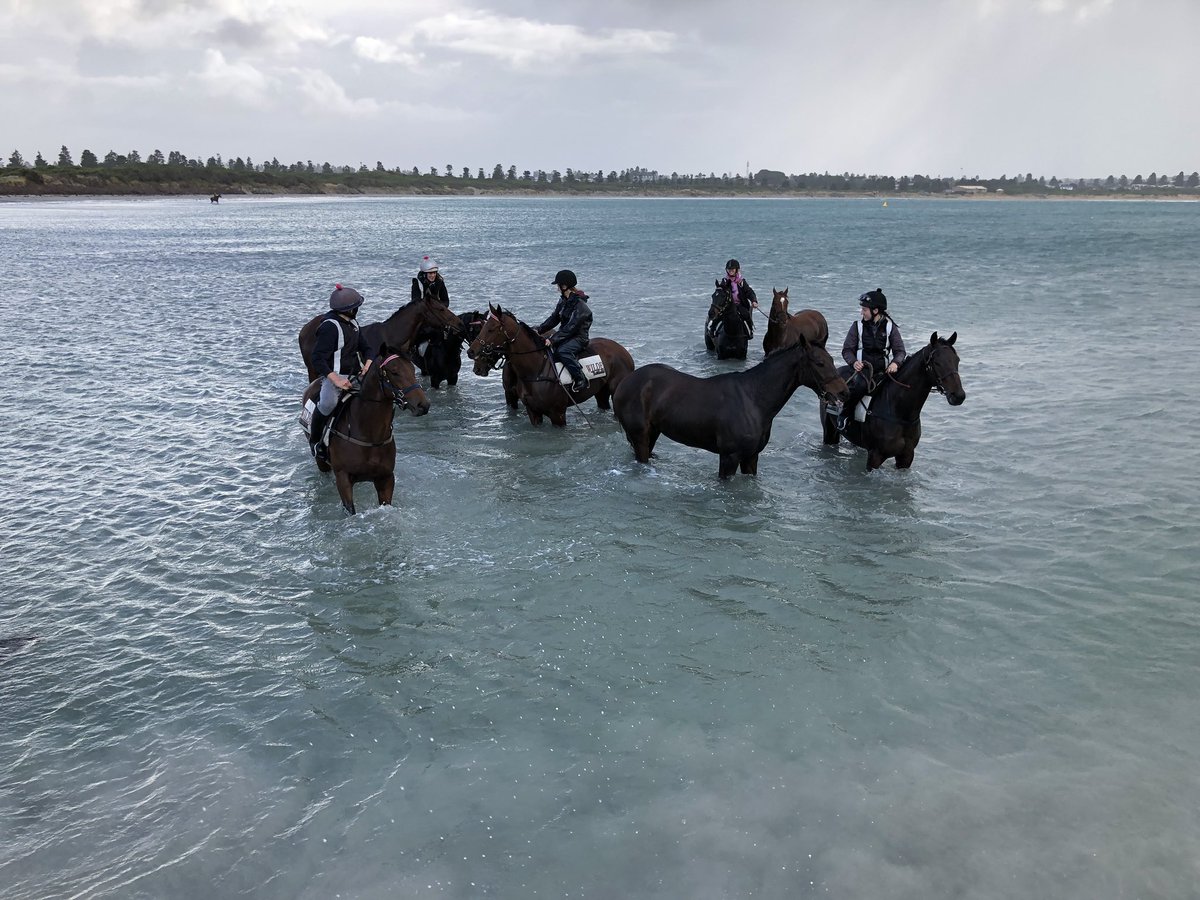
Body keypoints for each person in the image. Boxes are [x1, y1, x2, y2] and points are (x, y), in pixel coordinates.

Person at [307, 284, 375, 462]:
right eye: (356, 307)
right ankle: (315, 443)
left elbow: (367, 348)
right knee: (328, 404)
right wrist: (336, 380)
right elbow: (317, 359)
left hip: (355, 375)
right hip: (335, 377)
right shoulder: (329, 327)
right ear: (350, 309)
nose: (358, 310)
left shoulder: (353, 323)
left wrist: (367, 365)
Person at [836, 288, 906, 430]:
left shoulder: (890, 327)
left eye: (864, 310)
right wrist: (854, 362)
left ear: (875, 311)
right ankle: (844, 414)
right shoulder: (857, 326)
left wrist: (895, 363)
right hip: (863, 370)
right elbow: (847, 350)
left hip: (884, 370)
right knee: (861, 386)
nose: (862, 312)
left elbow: (900, 351)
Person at [537, 269, 593, 393]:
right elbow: (554, 319)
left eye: (558, 285)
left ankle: (581, 378)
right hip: (567, 336)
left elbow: (571, 328)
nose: (557, 288)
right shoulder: (563, 300)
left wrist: (552, 339)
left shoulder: (580, 306)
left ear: (564, 286)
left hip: (579, 338)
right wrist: (538, 330)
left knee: (563, 351)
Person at [713, 258, 758, 336]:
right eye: (729, 269)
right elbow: (720, 293)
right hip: (726, 306)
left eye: (732, 269)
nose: (730, 271)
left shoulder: (741, 282)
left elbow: (749, 292)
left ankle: (749, 330)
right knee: (718, 317)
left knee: (746, 315)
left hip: (739, 305)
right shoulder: (724, 281)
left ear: (737, 270)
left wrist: (754, 301)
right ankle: (712, 330)